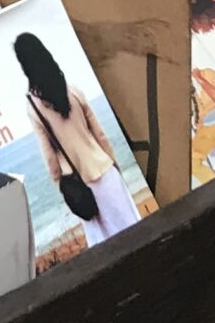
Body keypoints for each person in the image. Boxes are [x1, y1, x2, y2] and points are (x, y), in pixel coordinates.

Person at [14, 30, 144, 243]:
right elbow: (100, 135)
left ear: (24, 65)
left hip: (82, 188)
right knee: (136, 234)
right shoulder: (72, 90)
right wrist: (115, 165)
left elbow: (50, 159)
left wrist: (61, 185)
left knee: (106, 249)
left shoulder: (34, 108)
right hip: (106, 172)